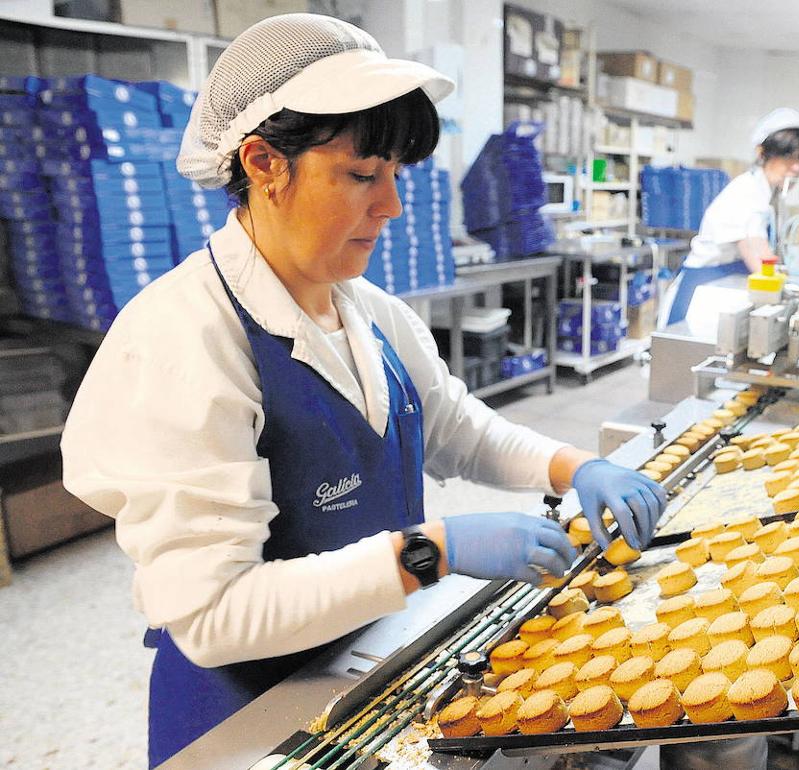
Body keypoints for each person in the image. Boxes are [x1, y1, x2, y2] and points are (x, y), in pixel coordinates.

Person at [59, 15, 666, 768]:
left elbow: (456, 427)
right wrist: (427, 553)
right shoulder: (186, 340)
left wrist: (577, 468)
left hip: (369, 664)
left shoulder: (365, 309)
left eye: (395, 176)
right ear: (264, 164)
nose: (392, 208)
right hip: (250, 715)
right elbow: (212, 616)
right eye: (360, 175)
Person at [659, 107, 799, 327]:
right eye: (788, 157)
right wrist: (793, 295)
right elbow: (758, 255)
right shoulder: (745, 193)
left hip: (727, 291)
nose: (796, 167)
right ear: (762, 153)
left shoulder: (770, 196)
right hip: (702, 293)